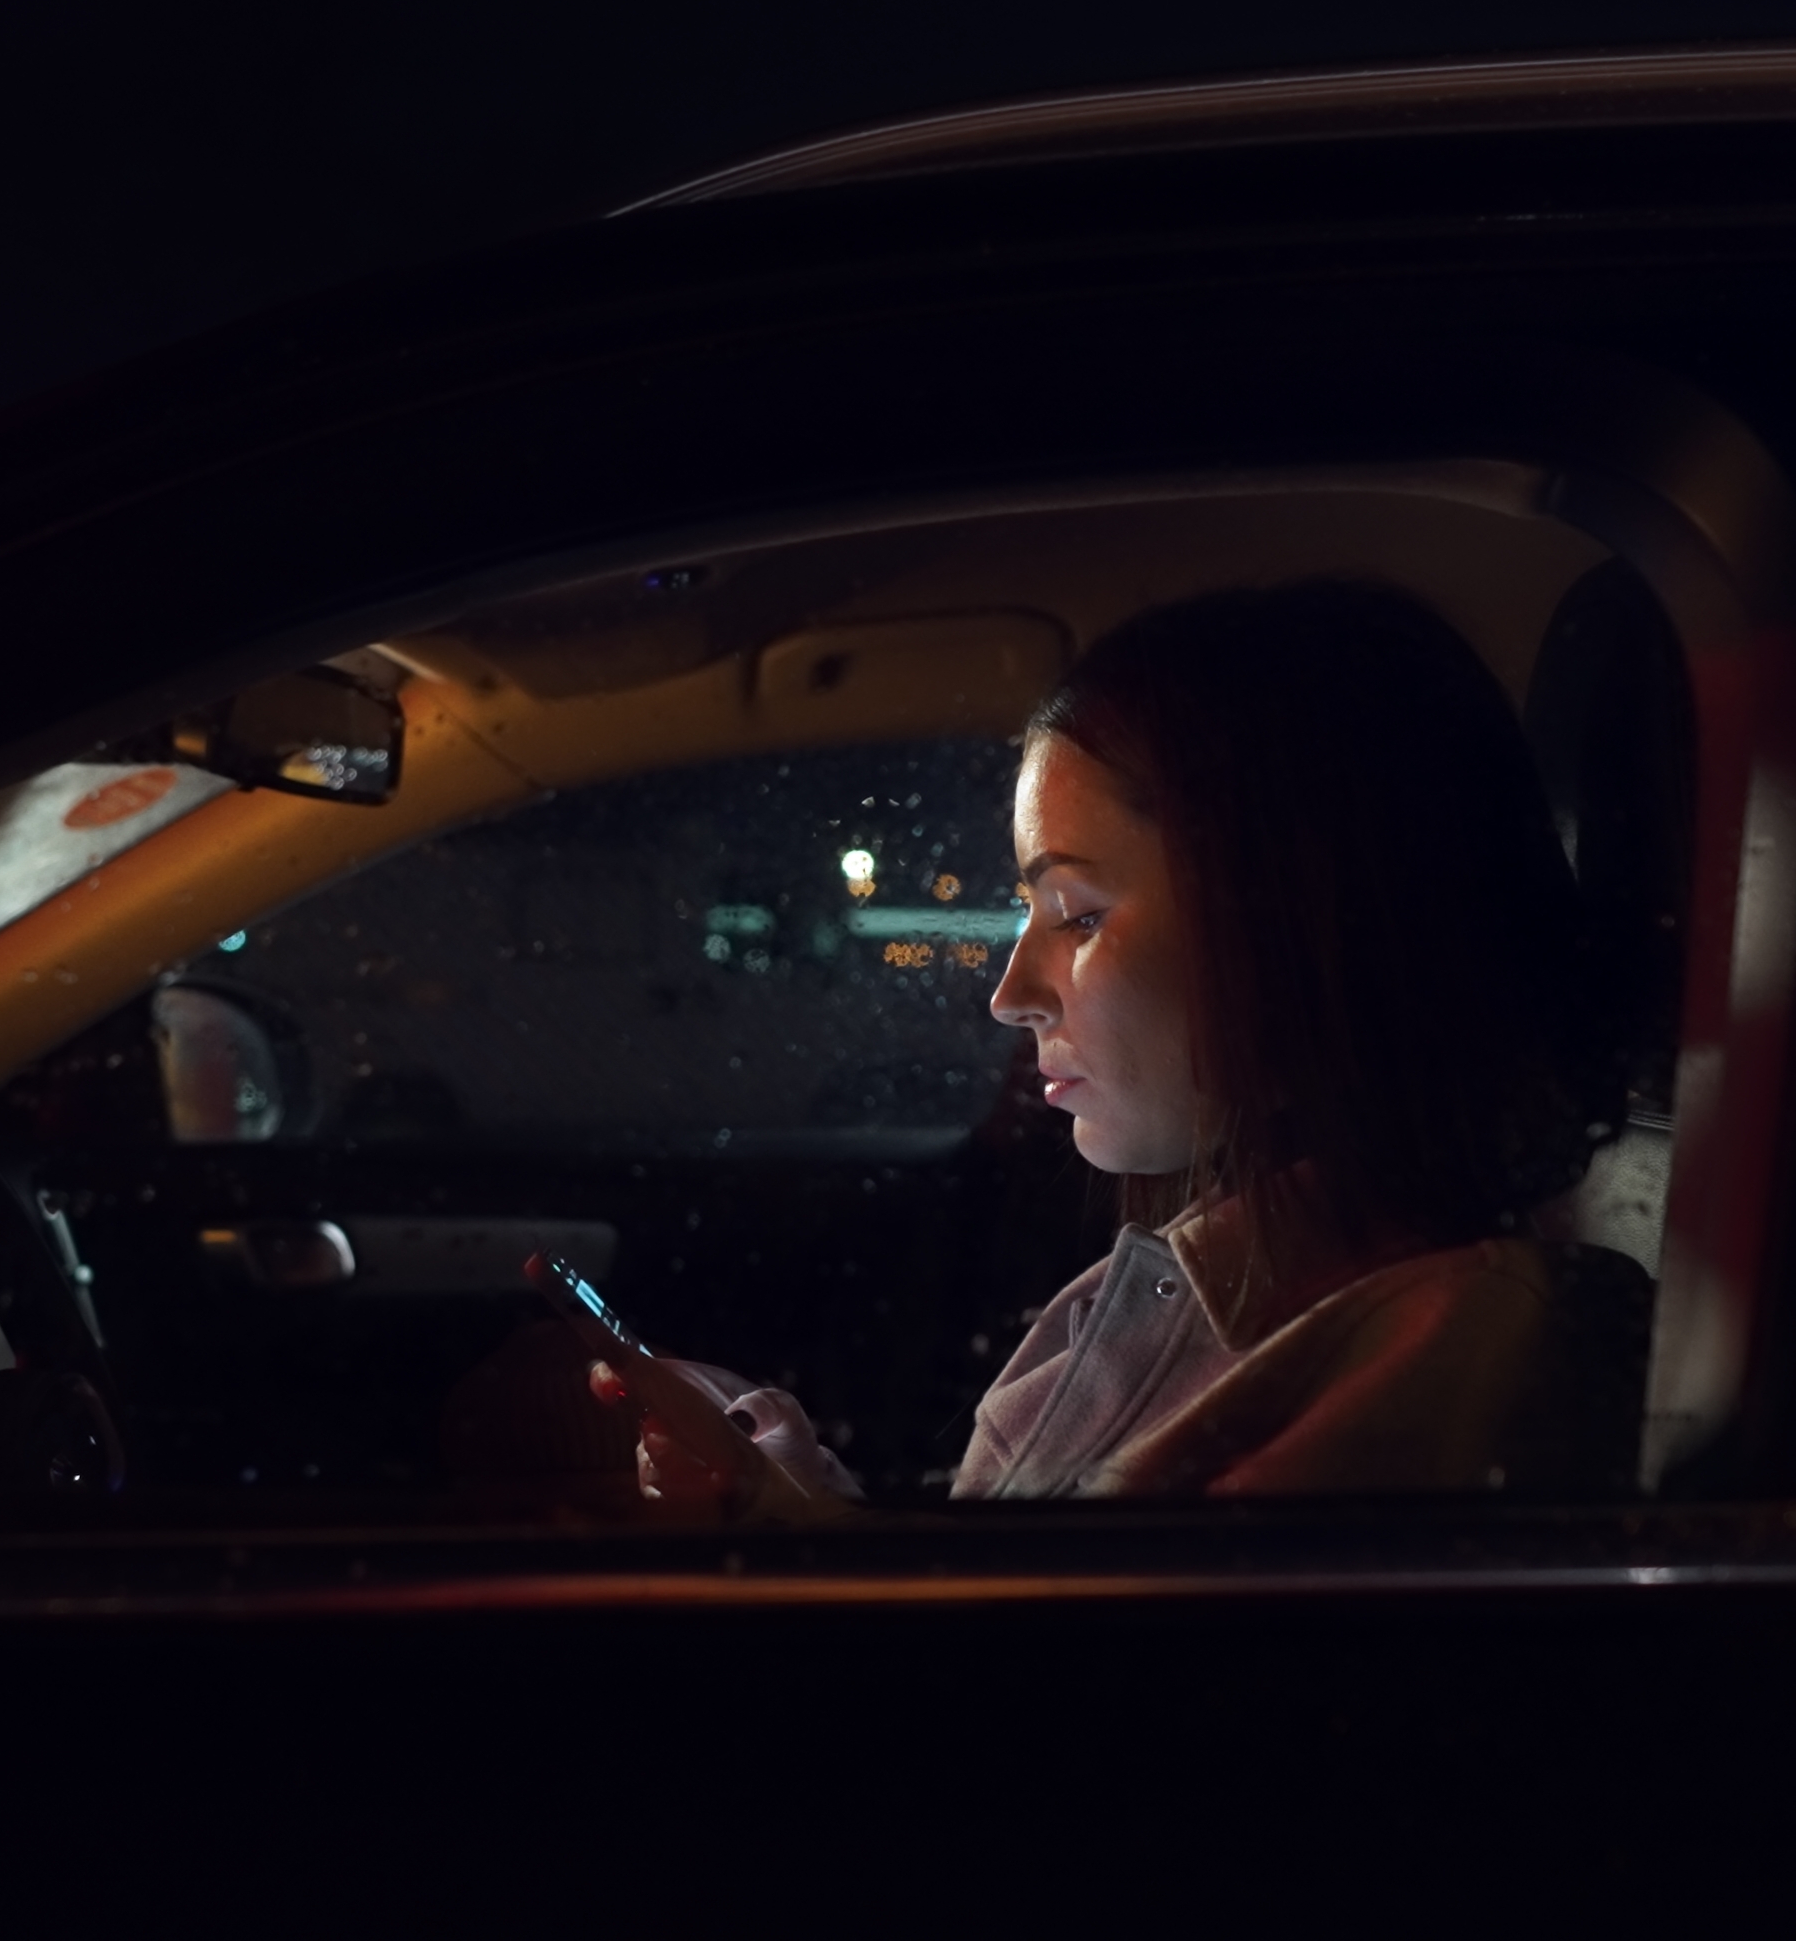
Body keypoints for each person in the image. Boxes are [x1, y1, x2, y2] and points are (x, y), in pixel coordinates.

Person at [639, 579, 1653, 1508]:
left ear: (1296, 920)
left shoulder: (1448, 1346)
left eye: (1076, 916)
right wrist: (796, 1510)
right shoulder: (1203, 1279)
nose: (1011, 997)